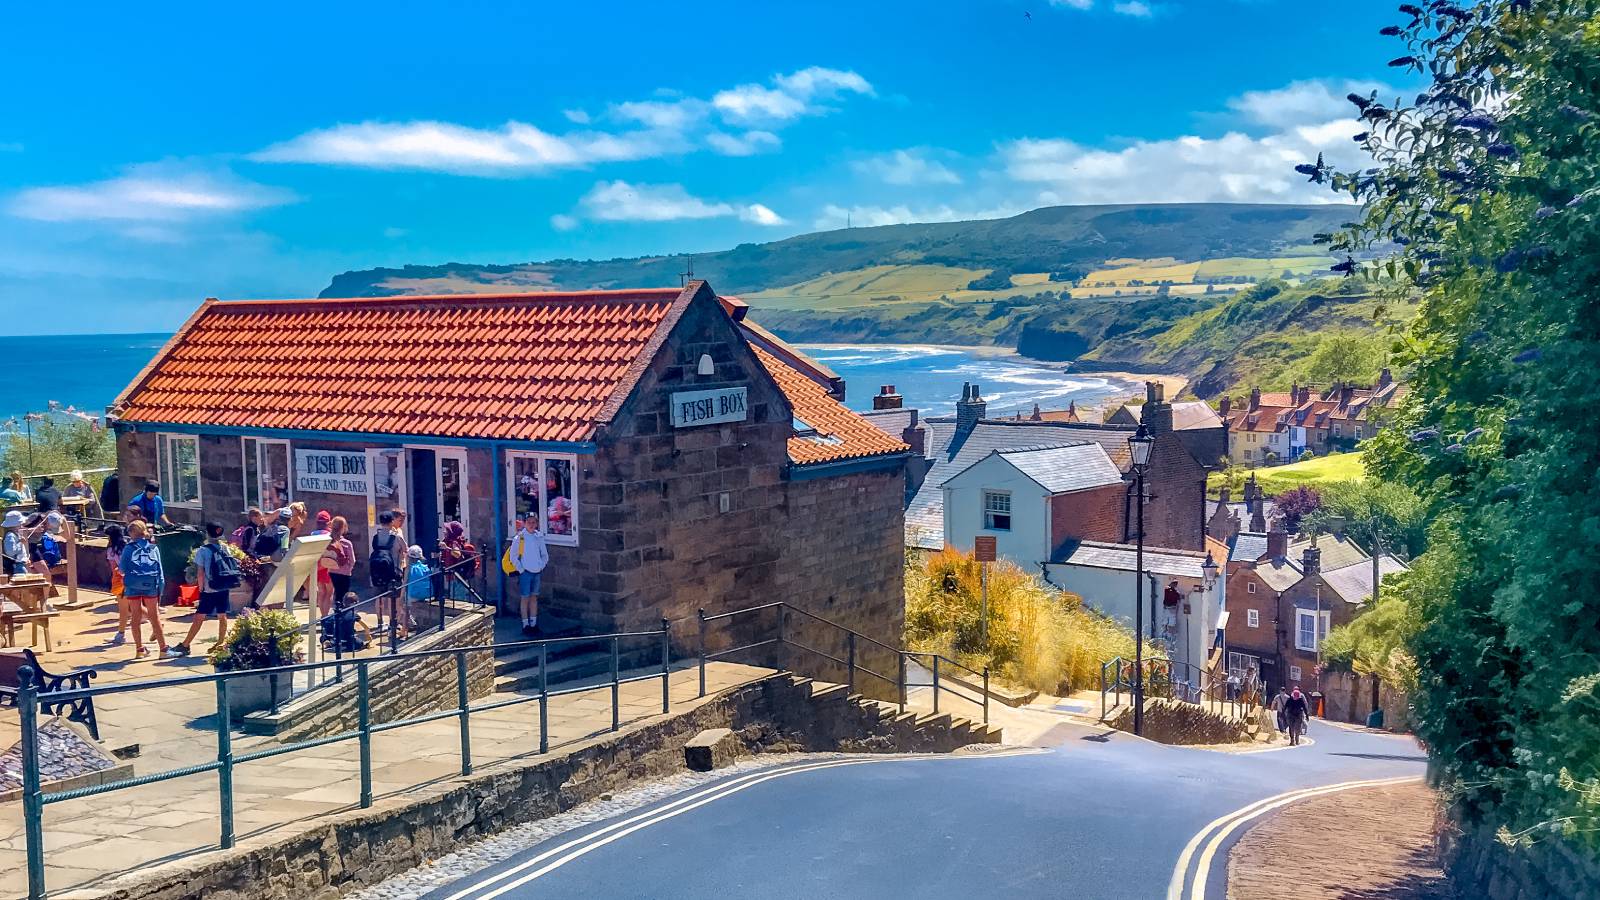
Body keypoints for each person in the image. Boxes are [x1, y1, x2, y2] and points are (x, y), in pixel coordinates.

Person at [170, 522, 238, 657]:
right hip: (223, 586)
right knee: (222, 615)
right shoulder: (225, 548)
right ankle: (220, 643)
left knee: (199, 616)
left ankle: (185, 645)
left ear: (207, 534)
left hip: (209, 588)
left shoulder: (203, 550)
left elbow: (200, 572)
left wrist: (200, 588)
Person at [119, 520, 168, 659]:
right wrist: (161, 590)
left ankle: (140, 650)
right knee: (154, 616)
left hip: (133, 585)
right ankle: (163, 649)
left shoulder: (129, 548)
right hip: (151, 585)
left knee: (135, 616)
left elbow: (122, 569)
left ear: (132, 533)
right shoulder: (153, 548)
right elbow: (160, 572)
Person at [509, 517, 549, 635]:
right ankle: (525, 625)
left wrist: (541, 566)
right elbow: (513, 556)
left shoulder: (539, 537)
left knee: (534, 597)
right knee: (525, 598)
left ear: (536, 523)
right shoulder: (519, 538)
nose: (531, 525)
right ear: (524, 523)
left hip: (537, 572)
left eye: (534, 522)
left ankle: (534, 623)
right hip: (525, 572)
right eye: (529, 522)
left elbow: (544, 554)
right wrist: (521, 570)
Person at [370, 511, 404, 631]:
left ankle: (380, 623)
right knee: (392, 598)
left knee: (378, 597)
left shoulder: (376, 537)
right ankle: (392, 623)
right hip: (393, 572)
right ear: (392, 521)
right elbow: (405, 550)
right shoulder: (396, 537)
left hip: (377, 571)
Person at [104, 523, 131, 645]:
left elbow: (113, 567)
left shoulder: (111, 550)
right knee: (135, 605)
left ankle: (121, 634)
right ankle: (155, 622)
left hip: (121, 580)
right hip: (133, 578)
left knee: (123, 609)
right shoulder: (128, 545)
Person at [437, 521, 477, 600]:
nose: (444, 531)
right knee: (455, 596)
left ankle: (459, 612)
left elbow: (457, 554)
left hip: (457, 576)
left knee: (457, 598)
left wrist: (446, 548)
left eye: (447, 530)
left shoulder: (454, 542)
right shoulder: (449, 541)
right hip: (454, 575)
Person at [403, 545, 432, 636]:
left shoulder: (409, 568)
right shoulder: (424, 567)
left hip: (413, 595)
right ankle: (411, 624)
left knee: (405, 608)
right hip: (425, 594)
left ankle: (405, 629)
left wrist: (401, 597)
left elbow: (405, 584)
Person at [2, 509, 30, 581]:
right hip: (16, 566)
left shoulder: (15, 534)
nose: (21, 525)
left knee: (20, 589)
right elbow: (10, 552)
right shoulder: (10, 536)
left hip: (19, 564)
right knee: (22, 587)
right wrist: (20, 542)